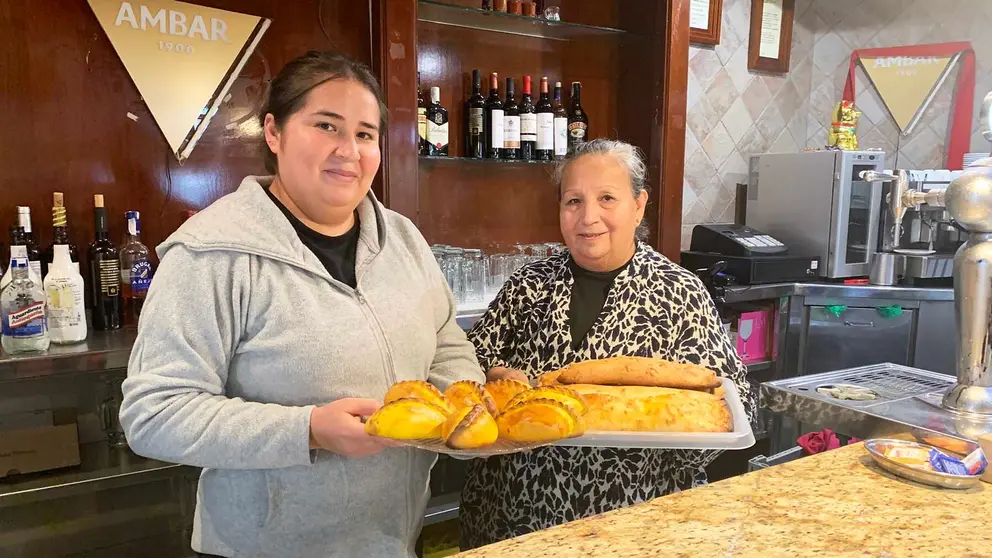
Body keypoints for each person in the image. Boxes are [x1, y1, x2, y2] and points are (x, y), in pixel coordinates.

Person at [119, 50, 484, 558]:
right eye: (326, 126)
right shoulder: (212, 252)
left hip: (392, 540)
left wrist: (456, 405)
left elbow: (446, 342)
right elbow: (153, 414)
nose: (349, 151)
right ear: (274, 133)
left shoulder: (403, 240)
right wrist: (307, 431)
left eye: (364, 134)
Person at [459, 138, 756, 549]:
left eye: (607, 199)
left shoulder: (678, 292)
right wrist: (494, 374)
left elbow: (732, 401)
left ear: (639, 206)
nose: (588, 217)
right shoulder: (530, 284)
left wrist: (661, 430)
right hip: (513, 518)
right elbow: (466, 362)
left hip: (631, 522)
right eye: (573, 201)